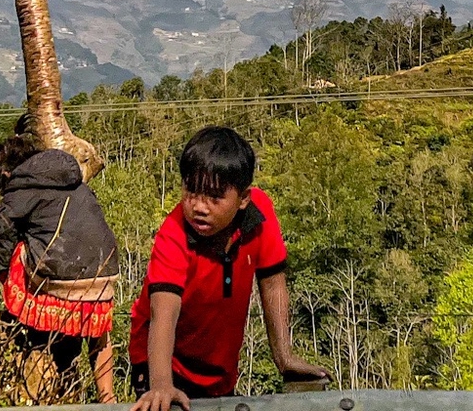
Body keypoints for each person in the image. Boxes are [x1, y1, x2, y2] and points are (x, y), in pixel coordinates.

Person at [129, 126, 327, 411]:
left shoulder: (260, 215)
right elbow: (163, 313)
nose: (199, 206)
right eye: (191, 191)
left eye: (214, 197)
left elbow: (273, 283)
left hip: (218, 367)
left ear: (243, 198)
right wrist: (161, 384)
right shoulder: (173, 235)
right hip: (162, 364)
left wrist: (284, 358)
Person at [0, 132, 121, 403]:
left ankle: (34, 335)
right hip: (103, 275)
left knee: (18, 248)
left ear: (6, 174)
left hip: (59, 281)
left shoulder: (21, 188)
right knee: (98, 334)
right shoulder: (75, 182)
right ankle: (108, 397)